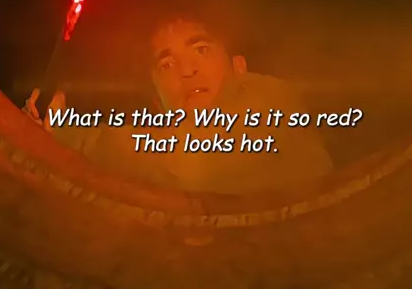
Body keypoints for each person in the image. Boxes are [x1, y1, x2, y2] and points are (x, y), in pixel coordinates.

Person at [23, 10, 334, 193]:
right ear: (158, 102)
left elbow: (192, 163)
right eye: (167, 65)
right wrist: (41, 137)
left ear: (238, 66)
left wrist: (68, 136)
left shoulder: (272, 99)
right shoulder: (152, 174)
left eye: (201, 50)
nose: (187, 71)